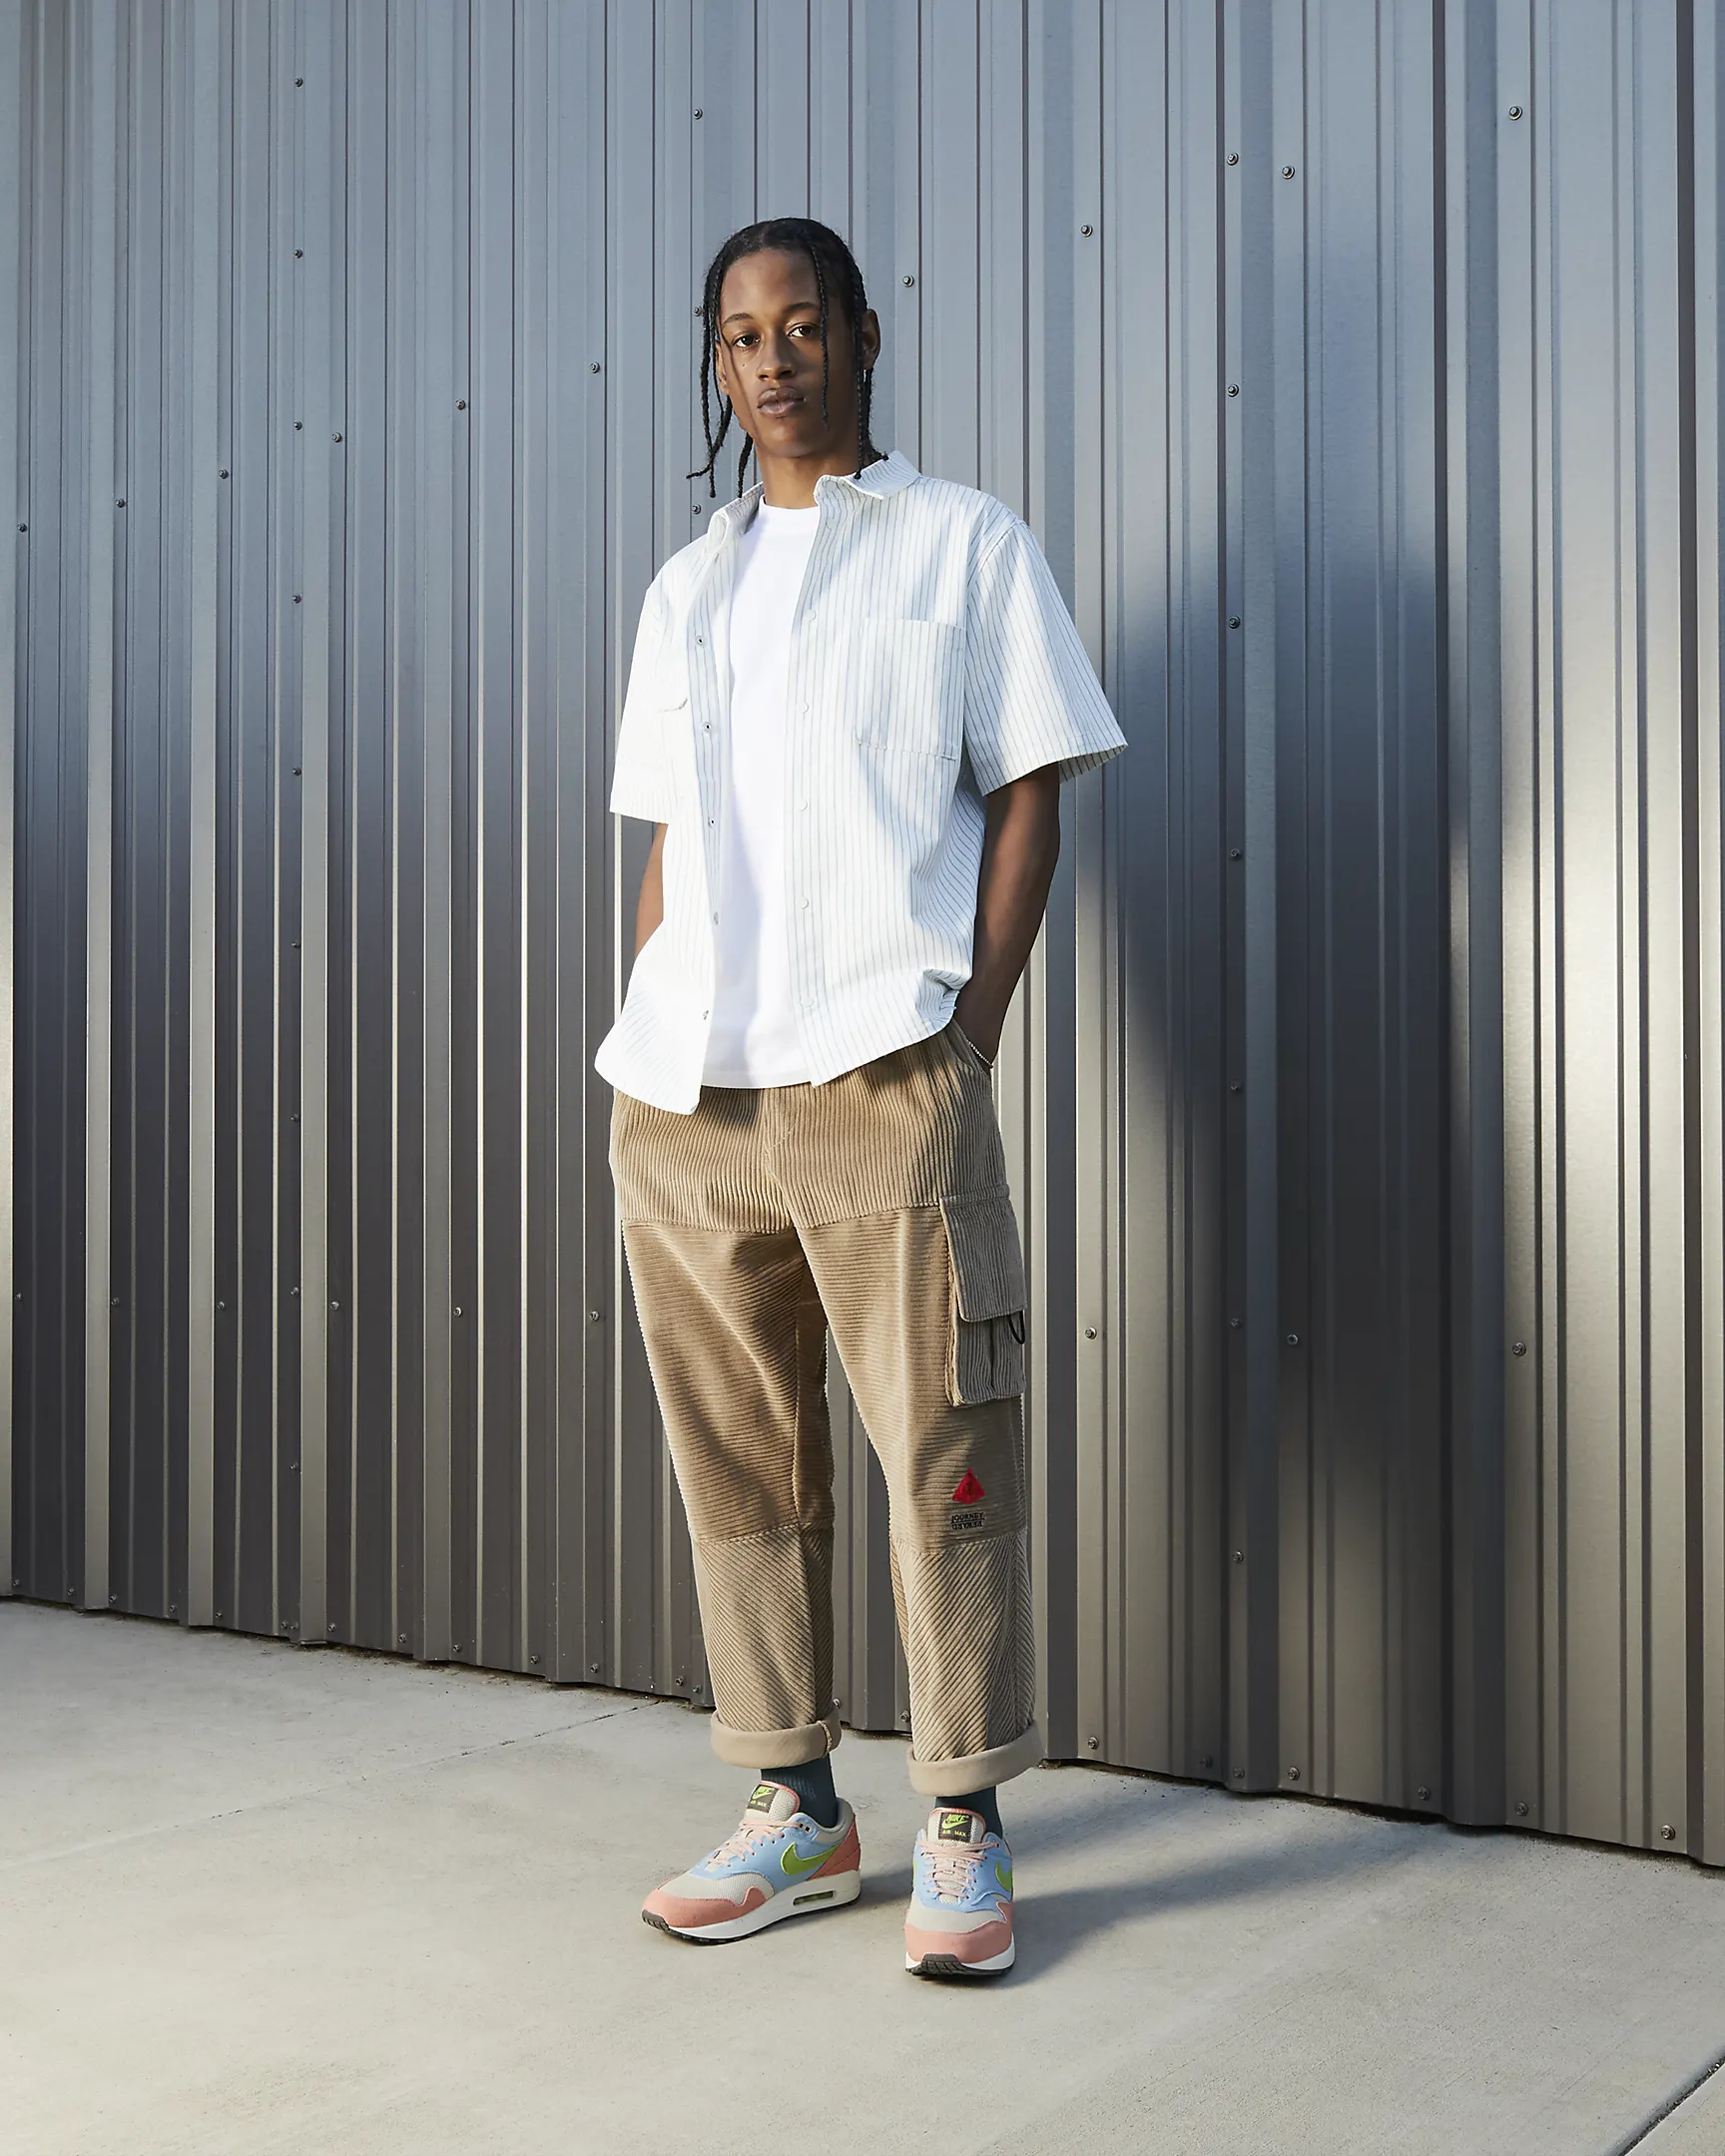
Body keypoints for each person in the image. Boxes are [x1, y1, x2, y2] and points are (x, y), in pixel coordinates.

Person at [598, 217, 1124, 1978]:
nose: (773, 358)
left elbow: (1033, 787)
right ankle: (798, 1809)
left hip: (883, 1075)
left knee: (947, 1457)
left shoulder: (962, 544)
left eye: (802, 323)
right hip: (691, 1101)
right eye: (741, 334)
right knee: (740, 1466)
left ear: (862, 337)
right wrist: (648, 1004)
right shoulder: (688, 589)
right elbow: (674, 837)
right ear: (718, 361)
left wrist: (971, 1033)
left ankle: (962, 1820)